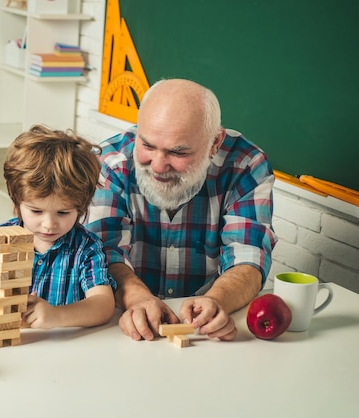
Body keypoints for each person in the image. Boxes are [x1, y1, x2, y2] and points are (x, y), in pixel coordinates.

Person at [85, 79, 277, 342]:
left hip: (203, 332)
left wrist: (216, 301)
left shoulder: (245, 165)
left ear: (215, 143)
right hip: (124, 325)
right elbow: (103, 251)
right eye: (148, 146)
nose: (158, 165)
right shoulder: (110, 161)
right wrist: (139, 299)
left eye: (177, 152)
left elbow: (248, 255)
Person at [0, 125, 116, 329]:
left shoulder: (86, 248)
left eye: (63, 212)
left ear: (80, 207)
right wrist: (1, 312)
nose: (49, 224)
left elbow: (103, 305)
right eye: (36, 211)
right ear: (17, 202)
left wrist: (57, 316)